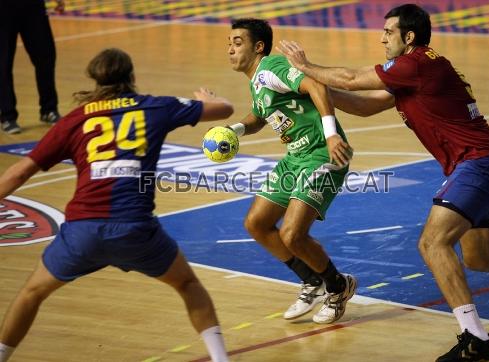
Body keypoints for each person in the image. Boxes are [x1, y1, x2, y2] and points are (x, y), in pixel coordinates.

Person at [278, 3, 489, 361]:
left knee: (432, 244)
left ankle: (476, 338)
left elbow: (352, 78)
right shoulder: (414, 72)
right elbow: (364, 105)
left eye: (388, 32)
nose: (382, 38)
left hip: (478, 165)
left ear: (408, 37)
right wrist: (312, 88)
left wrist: (305, 67)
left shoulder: (415, 64)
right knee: (480, 257)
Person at [0, 48, 232, 362]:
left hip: (83, 231)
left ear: (95, 80)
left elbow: (19, 171)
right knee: (188, 284)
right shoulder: (155, 107)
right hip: (135, 229)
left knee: (31, 293)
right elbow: (225, 110)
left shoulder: (74, 120)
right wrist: (208, 97)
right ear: (131, 77)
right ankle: (221, 359)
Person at [227, 18, 356, 324]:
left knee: (292, 234)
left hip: (323, 154)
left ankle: (338, 287)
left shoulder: (271, 66)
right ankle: (311, 280)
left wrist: (331, 133)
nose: (230, 49)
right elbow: (260, 115)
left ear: (258, 47)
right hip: (295, 158)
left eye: (237, 42)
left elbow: (315, 84)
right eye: (228, 44)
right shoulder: (258, 79)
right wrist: (234, 130)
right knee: (257, 223)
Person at [0, 0, 65, 134]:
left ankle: (49, 109)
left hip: (33, 7)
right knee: (3, 63)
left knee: (46, 57)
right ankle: (7, 115)